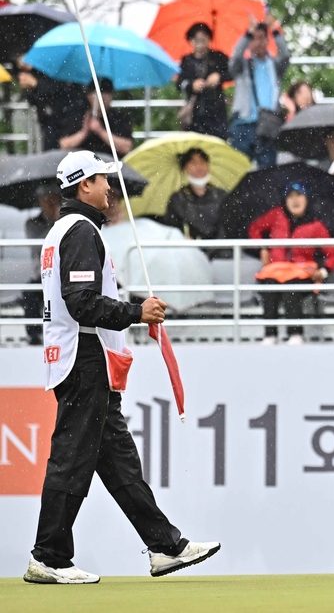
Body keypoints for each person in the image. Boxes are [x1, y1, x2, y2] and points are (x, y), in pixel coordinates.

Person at [26, 150, 219, 585]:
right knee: (71, 460)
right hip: (85, 356)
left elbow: (79, 299)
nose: (109, 187)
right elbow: (81, 304)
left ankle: (166, 546)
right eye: (101, 179)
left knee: (119, 463)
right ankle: (49, 557)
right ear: (83, 186)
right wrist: (137, 311)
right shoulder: (79, 231)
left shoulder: (66, 230)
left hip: (83, 357)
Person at [249, 182, 334, 345]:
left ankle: (295, 333)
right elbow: (255, 228)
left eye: (299, 195)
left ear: (307, 199)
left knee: (291, 288)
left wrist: (323, 271)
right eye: (290, 196)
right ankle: (270, 334)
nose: (294, 200)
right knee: (269, 287)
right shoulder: (276, 215)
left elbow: (332, 252)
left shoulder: (316, 225)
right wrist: (262, 247)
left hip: (301, 273)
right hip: (276, 271)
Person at [228, 13, 291, 170]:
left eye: (262, 37)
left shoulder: (274, 66)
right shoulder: (242, 66)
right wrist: (247, 34)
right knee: (237, 172)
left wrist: (274, 30)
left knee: (267, 174)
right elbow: (235, 57)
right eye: (254, 38)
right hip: (243, 124)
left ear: (267, 40)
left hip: (267, 125)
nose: (258, 42)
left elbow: (286, 55)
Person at [20, 185, 62, 344]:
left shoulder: (68, 220)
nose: (50, 203)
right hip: (43, 276)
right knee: (29, 292)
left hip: (63, 274)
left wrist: (60, 219)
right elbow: (40, 245)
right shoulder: (32, 223)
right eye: (46, 199)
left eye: (54, 198)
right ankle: (35, 335)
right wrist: (56, 222)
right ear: (40, 202)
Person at [161, 148, 228, 245]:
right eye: (193, 163)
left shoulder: (222, 195)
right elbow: (171, 228)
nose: (199, 167)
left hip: (221, 252)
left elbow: (228, 227)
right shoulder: (178, 199)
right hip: (189, 252)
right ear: (184, 169)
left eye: (202, 162)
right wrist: (182, 239)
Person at [18, 58, 86, 151]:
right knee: (50, 153)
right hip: (49, 121)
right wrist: (30, 88)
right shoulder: (33, 71)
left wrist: (36, 84)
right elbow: (35, 99)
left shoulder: (57, 65)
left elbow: (62, 88)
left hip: (66, 116)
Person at [177, 23, 230, 139]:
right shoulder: (187, 61)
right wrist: (192, 85)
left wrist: (219, 76)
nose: (200, 43)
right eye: (197, 40)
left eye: (203, 39)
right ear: (191, 41)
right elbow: (180, 84)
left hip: (216, 111)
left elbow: (232, 72)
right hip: (195, 113)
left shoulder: (218, 57)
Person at [59, 78, 134, 157]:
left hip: (110, 164)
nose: (102, 97)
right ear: (89, 96)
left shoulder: (118, 118)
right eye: (97, 93)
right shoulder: (78, 116)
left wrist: (101, 131)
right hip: (81, 164)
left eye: (106, 93)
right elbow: (64, 145)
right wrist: (84, 132)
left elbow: (127, 147)